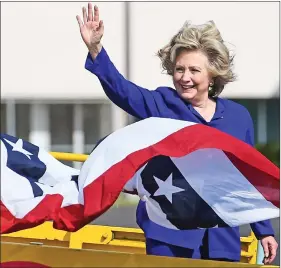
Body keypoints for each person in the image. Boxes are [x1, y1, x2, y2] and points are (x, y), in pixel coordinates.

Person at [76, 3, 278, 264]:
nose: (184, 77)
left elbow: (248, 181)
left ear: (213, 74)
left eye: (194, 70)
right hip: (170, 236)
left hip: (221, 239)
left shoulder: (239, 118)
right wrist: (95, 49)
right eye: (179, 69)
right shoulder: (162, 104)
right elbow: (123, 91)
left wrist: (264, 232)